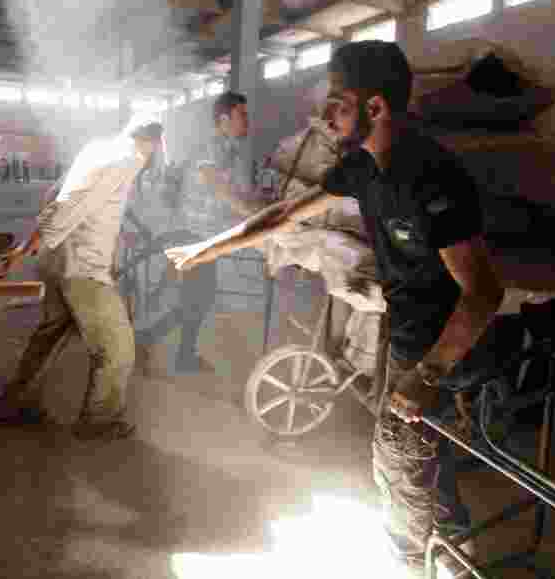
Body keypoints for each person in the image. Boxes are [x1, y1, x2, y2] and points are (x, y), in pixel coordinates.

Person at [165, 41, 507, 570]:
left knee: (395, 458)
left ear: (375, 108)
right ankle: (457, 552)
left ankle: (414, 562)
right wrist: (204, 249)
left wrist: (429, 374)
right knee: (418, 456)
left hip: (447, 346)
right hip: (407, 332)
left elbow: (484, 292)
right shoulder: (361, 167)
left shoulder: (432, 175)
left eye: (337, 101)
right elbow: (283, 215)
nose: (325, 113)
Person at [0, 118, 165, 441]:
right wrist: (21, 250)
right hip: (82, 270)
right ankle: (100, 419)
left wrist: (116, 231)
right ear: (152, 143)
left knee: (49, 337)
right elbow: (71, 205)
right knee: (117, 346)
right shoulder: (130, 158)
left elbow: (58, 192)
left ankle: (14, 405)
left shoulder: (97, 148)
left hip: (57, 262)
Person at [137, 91, 263, 375]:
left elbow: (233, 195)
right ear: (223, 119)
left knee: (197, 298)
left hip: (203, 236)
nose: (247, 120)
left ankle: (176, 351)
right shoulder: (211, 147)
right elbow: (221, 190)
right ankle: (157, 344)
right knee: (197, 298)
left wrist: (258, 207)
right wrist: (256, 215)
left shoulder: (229, 151)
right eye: (242, 114)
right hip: (191, 235)